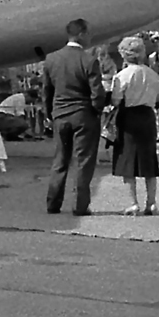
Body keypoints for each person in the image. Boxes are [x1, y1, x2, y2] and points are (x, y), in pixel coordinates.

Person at [43, 18, 107, 216]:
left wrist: (49, 114)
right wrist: (97, 111)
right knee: (83, 161)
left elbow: (47, 91)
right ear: (81, 34)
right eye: (88, 33)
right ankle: (80, 205)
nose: (90, 37)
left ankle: (53, 203)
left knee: (60, 160)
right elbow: (97, 93)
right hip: (83, 115)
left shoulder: (51, 59)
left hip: (60, 115)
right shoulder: (88, 60)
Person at [109, 36, 159, 215]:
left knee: (128, 160)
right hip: (147, 116)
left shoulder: (122, 76)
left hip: (128, 117)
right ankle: (152, 202)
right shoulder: (152, 74)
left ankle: (133, 203)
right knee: (149, 159)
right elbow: (158, 99)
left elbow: (116, 100)